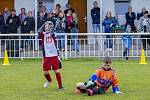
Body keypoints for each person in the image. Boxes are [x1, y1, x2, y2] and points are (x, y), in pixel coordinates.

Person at [39, 21, 63, 89]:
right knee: (45, 72)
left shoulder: (53, 33)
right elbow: (39, 31)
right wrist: (44, 24)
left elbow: (52, 33)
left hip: (54, 55)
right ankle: (49, 80)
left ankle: (60, 86)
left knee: (57, 71)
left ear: (51, 27)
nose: (46, 28)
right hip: (46, 56)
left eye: (48, 26)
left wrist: (51, 26)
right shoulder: (43, 34)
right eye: (45, 27)